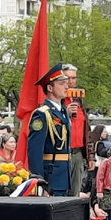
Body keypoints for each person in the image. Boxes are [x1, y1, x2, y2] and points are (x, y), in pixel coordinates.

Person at [26, 64, 72, 194]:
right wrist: (40, 181)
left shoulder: (63, 111)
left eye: (67, 83)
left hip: (64, 176)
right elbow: (35, 150)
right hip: (50, 177)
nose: (66, 87)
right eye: (62, 83)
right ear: (50, 87)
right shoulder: (42, 114)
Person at [62, 64, 95, 197]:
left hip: (78, 154)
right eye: (67, 78)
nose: (71, 82)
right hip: (61, 155)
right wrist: (65, 113)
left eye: (73, 78)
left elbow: (87, 131)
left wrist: (90, 156)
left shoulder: (79, 101)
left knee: (75, 193)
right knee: (59, 194)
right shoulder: (55, 101)